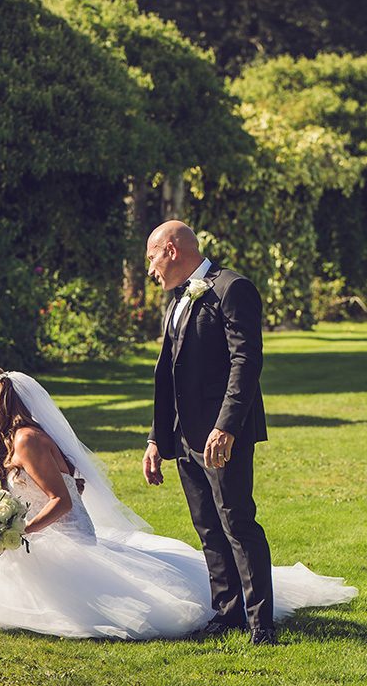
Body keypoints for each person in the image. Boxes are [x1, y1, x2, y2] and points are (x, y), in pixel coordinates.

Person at [0, 368, 355, 640]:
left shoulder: (25, 439)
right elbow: (75, 486)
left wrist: (22, 529)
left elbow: (63, 500)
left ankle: (240, 605)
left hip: (62, 536)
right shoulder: (18, 438)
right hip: (51, 532)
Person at [142, 221, 275, 644]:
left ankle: (261, 625)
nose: (150, 270)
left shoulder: (231, 288)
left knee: (237, 522)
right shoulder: (177, 300)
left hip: (221, 436)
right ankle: (227, 612)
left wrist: (226, 427)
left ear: (171, 250)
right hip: (183, 437)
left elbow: (246, 363)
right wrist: (156, 439)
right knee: (207, 527)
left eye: (151, 258)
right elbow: (168, 375)